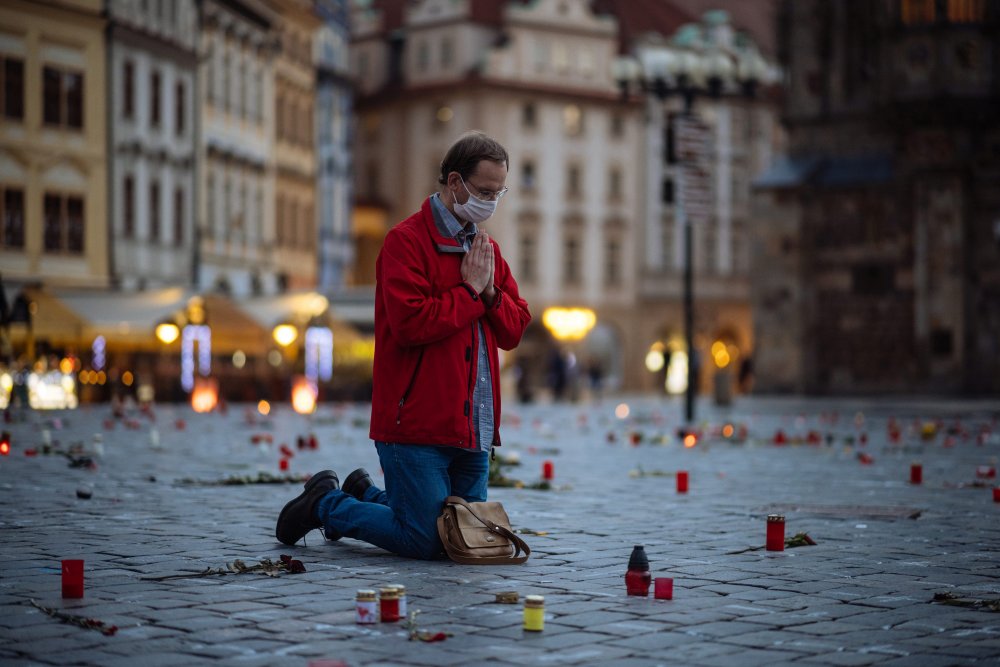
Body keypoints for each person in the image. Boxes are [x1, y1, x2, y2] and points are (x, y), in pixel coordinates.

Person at [276, 131, 531, 559]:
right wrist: (470, 294)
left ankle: (366, 494)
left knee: (464, 535)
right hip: (416, 427)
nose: (491, 202)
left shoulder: (487, 249)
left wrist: (489, 294)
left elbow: (514, 329)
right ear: (455, 183)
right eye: (485, 191)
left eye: (498, 192)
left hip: (474, 430)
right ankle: (325, 504)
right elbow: (411, 323)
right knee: (428, 540)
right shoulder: (405, 242)